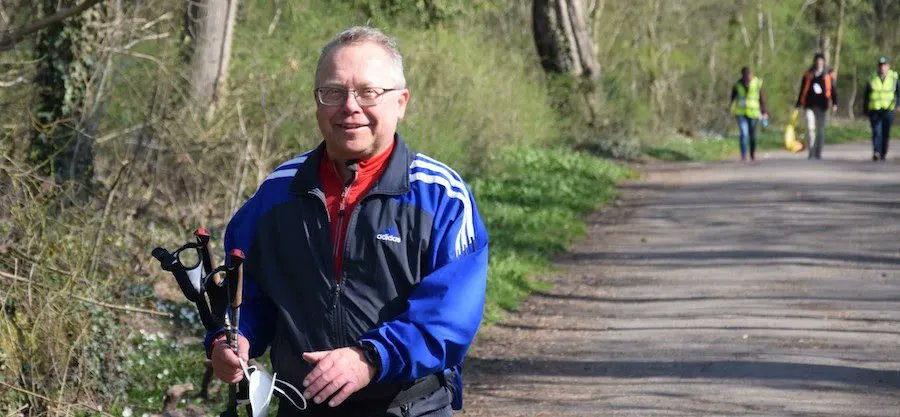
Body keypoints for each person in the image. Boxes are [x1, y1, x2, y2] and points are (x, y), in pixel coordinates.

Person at [207, 26, 489, 416]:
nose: (349, 106)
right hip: (302, 404)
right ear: (317, 102)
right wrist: (231, 339)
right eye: (333, 92)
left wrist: (369, 358)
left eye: (368, 92)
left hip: (409, 407)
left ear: (401, 102)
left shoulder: (442, 197)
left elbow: (449, 318)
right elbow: (247, 294)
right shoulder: (275, 195)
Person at [795, 53, 838, 160]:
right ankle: (811, 152)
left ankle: (818, 152)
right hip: (809, 105)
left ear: (823, 62)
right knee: (810, 128)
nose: (819, 63)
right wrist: (798, 103)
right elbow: (802, 89)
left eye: (821, 61)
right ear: (814, 62)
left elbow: (833, 90)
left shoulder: (828, 75)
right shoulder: (808, 74)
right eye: (817, 61)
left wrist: (835, 103)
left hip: (822, 106)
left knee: (820, 130)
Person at [862, 56, 899, 161]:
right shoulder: (872, 78)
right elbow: (866, 95)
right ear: (878, 67)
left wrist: (898, 105)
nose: (882, 68)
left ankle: (883, 152)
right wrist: (865, 109)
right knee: (876, 131)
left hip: (888, 109)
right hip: (875, 109)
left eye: (884, 65)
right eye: (880, 65)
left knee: (885, 133)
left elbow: (898, 93)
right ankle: (876, 152)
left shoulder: (894, 78)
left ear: (888, 66)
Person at [730, 66, 769, 161]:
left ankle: (752, 153)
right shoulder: (737, 85)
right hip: (741, 113)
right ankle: (743, 155)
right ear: (743, 76)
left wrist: (764, 112)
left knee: (752, 135)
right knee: (744, 133)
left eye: (750, 75)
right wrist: (732, 109)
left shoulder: (757, 84)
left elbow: (762, 99)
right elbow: (732, 99)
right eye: (747, 76)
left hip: (754, 113)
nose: (749, 77)